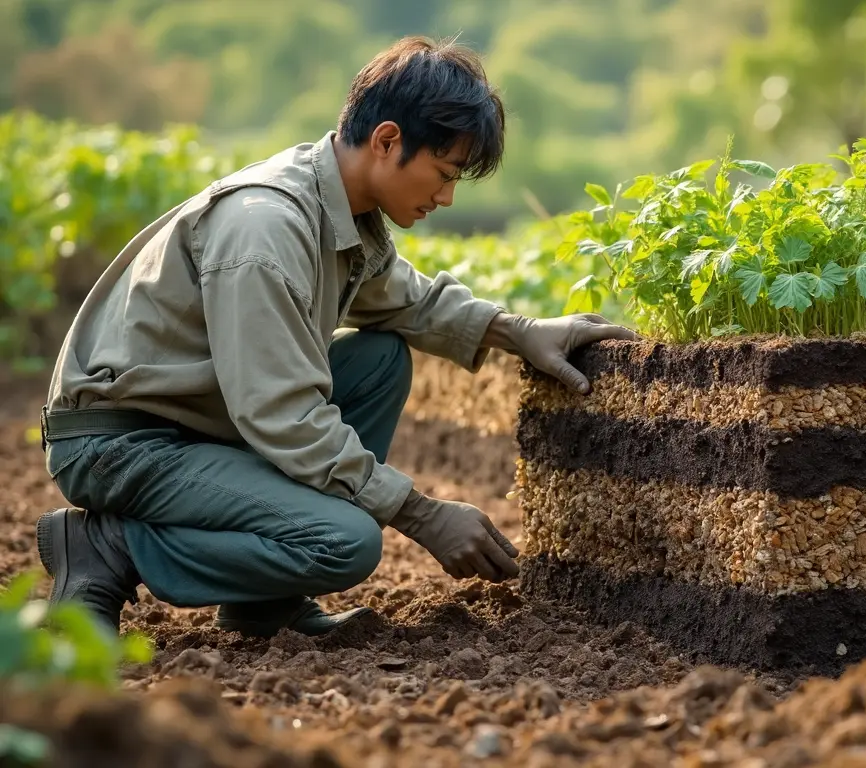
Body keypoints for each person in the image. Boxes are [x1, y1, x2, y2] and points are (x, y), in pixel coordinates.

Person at [35, 35, 637, 638]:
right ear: (387, 141)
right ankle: (108, 545)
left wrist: (520, 332)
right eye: (444, 173)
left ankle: (264, 605)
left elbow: (408, 300)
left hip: (196, 420)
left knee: (378, 359)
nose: (447, 197)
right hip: (124, 442)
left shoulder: (340, 212)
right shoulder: (265, 229)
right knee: (344, 541)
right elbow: (282, 411)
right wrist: (420, 515)